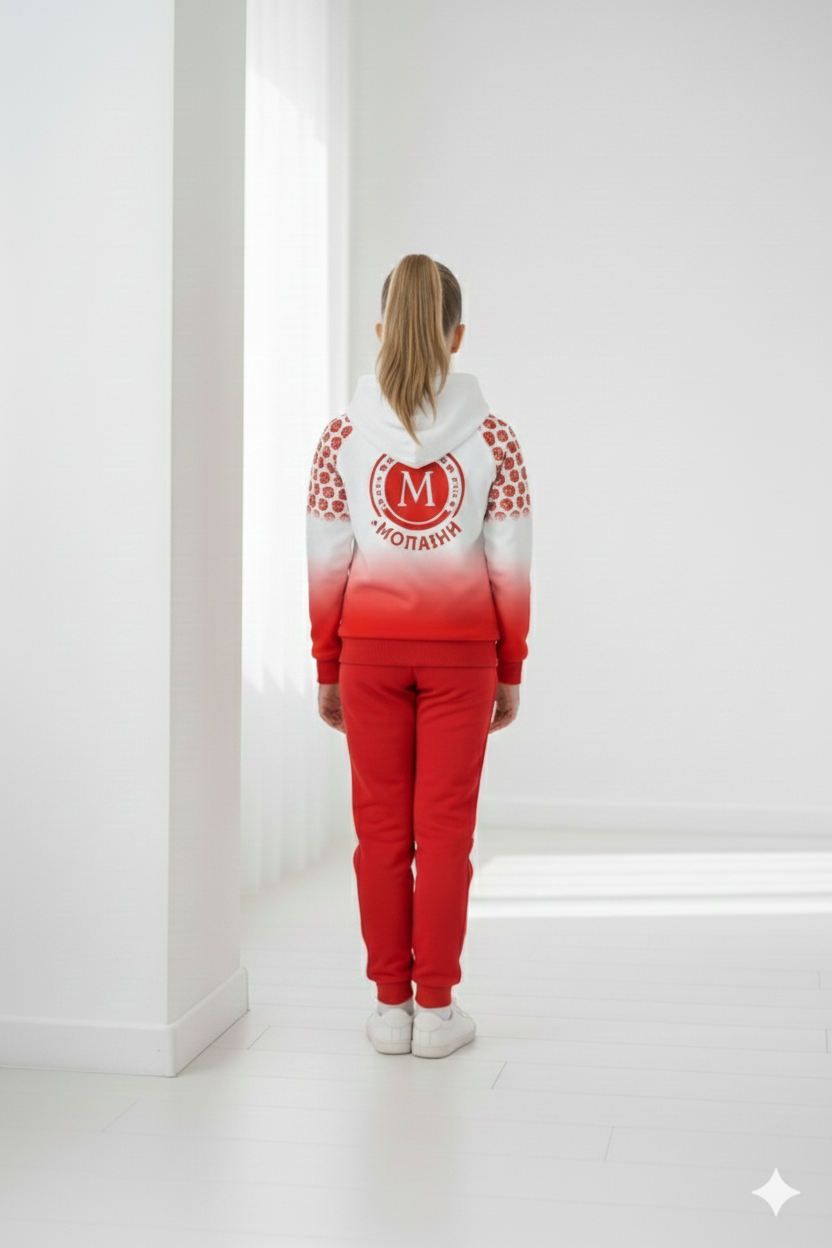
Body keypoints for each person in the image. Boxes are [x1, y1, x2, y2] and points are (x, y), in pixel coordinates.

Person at [306, 254, 532, 1058]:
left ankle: (389, 1009)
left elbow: (327, 560)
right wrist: (510, 666)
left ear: (380, 331)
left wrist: (328, 664)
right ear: (456, 336)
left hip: (367, 655)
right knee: (444, 834)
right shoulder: (495, 438)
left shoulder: (341, 439)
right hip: (462, 659)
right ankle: (437, 1011)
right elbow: (509, 563)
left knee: (379, 833)